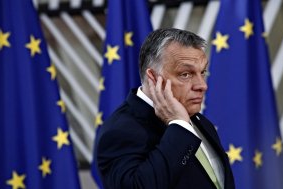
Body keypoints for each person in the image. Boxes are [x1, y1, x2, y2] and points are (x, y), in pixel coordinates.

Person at [96, 28, 235, 189]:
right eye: (185, 74)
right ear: (153, 78)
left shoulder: (201, 122)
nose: (202, 85)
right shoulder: (119, 131)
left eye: (202, 72)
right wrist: (179, 126)